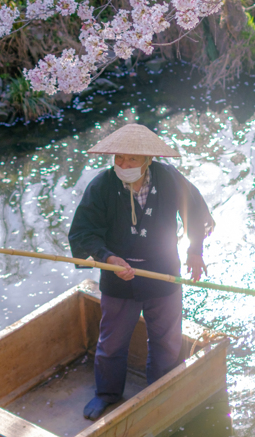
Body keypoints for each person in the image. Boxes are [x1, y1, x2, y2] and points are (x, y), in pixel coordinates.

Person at [69, 123, 215, 420]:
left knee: (166, 339)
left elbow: (195, 211)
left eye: (132, 160)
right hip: (118, 277)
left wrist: (195, 252)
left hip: (163, 273)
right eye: (119, 158)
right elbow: (84, 232)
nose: (124, 165)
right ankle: (106, 394)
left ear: (148, 159)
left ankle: (160, 390)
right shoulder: (102, 186)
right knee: (111, 342)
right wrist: (108, 257)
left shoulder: (169, 178)